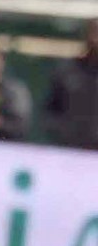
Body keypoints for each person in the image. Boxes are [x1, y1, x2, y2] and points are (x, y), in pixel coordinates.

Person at [44, 18, 98, 150]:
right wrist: (63, 132)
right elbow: (49, 111)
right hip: (70, 153)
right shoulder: (67, 71)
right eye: (95, 33)